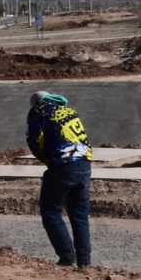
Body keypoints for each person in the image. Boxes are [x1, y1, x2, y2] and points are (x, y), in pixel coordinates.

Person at [27, 91, 93, 268]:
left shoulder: (40, 112)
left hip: (63, 165)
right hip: (85, 163)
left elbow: (34, 141)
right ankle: (84, 262)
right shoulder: (68, 110)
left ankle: (66, 257)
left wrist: (47, 160)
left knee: (50, 211)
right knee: (79, 214)